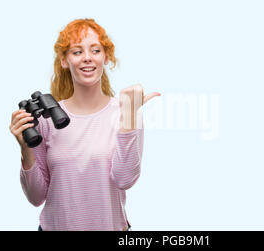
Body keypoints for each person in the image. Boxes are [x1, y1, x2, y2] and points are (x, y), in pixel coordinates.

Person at [9, 18, 160, 231]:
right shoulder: (47, 120)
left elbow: (125, 179)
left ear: (106, 57)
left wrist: (129, 116)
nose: (87, 58)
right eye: (77, 52)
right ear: (64, 60)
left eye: (95, 51)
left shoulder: (126, 111)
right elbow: (36, 197)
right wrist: (25, 149)